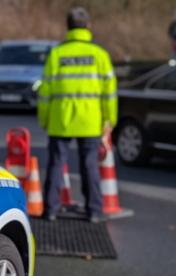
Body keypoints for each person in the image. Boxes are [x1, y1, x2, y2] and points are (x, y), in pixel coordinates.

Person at [38, 7, 117, 223]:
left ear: (68, 27)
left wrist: (44, 119)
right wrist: (109, 120)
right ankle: (94, 211)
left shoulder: (57, 54)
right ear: (88, 26)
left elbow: (44, 93)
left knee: (55, 164)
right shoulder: (99, 55)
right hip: (90, 121)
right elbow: (109, 93)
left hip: (60, 120)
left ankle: (51, 210)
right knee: (90, 165)